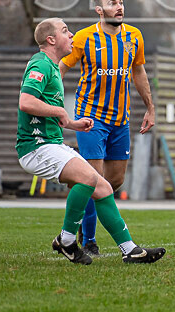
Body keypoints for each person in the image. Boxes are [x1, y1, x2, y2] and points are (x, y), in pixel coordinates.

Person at [17, 18, 165, 264]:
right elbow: (26, 102)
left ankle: (130, 250)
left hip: (51, 144)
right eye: (65, 31)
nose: (71, 35)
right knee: (88, 178)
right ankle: (67, 240)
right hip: (36, 147)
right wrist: (61, 111)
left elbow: (47, 113)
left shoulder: (51, 67)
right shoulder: (41, 64)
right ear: (51, 40)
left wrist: (72, 123)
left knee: (103, 187)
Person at [59, 0, 155, 256]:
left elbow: (138, 70)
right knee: (93, 179)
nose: (119, 7)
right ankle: (88, 239)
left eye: (121, 2)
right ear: (99, 10)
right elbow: (61, 67)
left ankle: (81, 205)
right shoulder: (84, 37)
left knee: (114, 181)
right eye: (112, 3)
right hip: (90, 118)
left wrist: (150, 107)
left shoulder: (134, 36)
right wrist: (53, 102)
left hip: (120, 119)